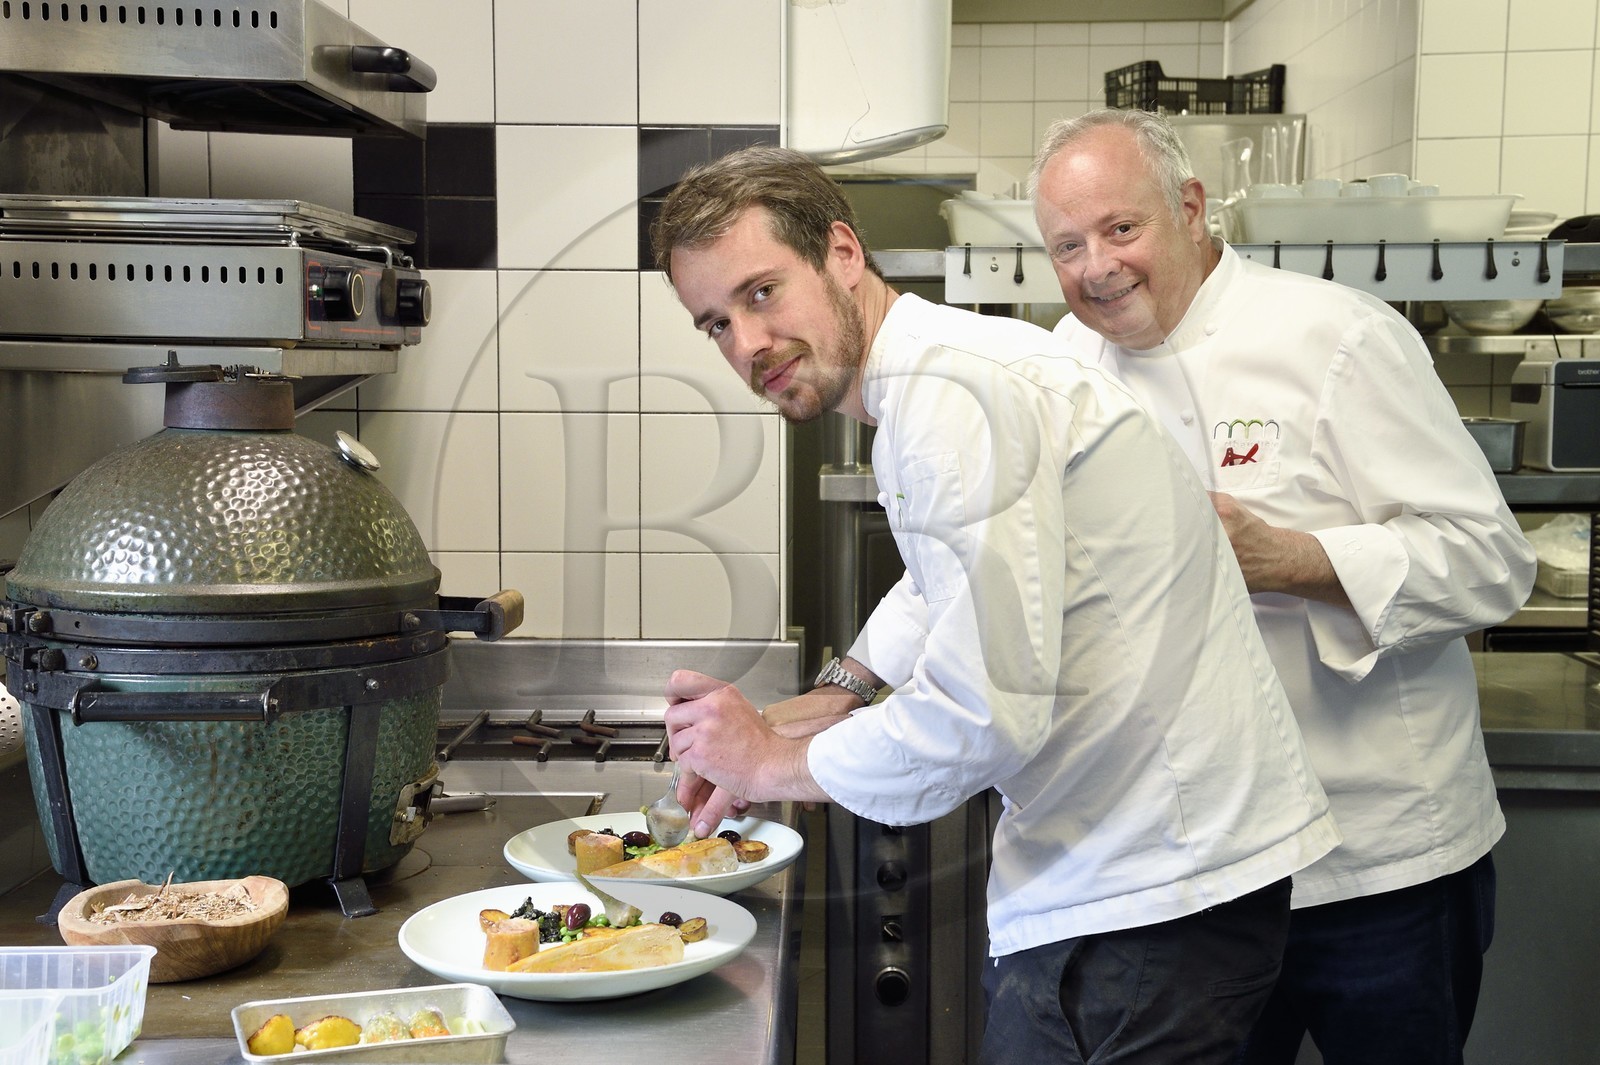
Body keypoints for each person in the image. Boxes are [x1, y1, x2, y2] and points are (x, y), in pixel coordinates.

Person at [650, 144, 1341, 1065]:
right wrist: (845, 688)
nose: (746, 343)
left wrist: (773, 761)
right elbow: (958, 573)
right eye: (715, 324)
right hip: (1141, 881)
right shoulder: (941, 374)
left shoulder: (950, 402)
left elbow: (982, 714)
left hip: (1147, 899)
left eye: (761, 292)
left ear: (843, 254)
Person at [1029, 108, 1537, 1065]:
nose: (1096, 266)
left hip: (1382, 863)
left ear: (1189, 208)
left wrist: (1289, 558)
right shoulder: (1061, 369)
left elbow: (1488, 562)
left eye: (1120, 229)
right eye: (1067, 245)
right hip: (1196, 874)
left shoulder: (1336, 337)